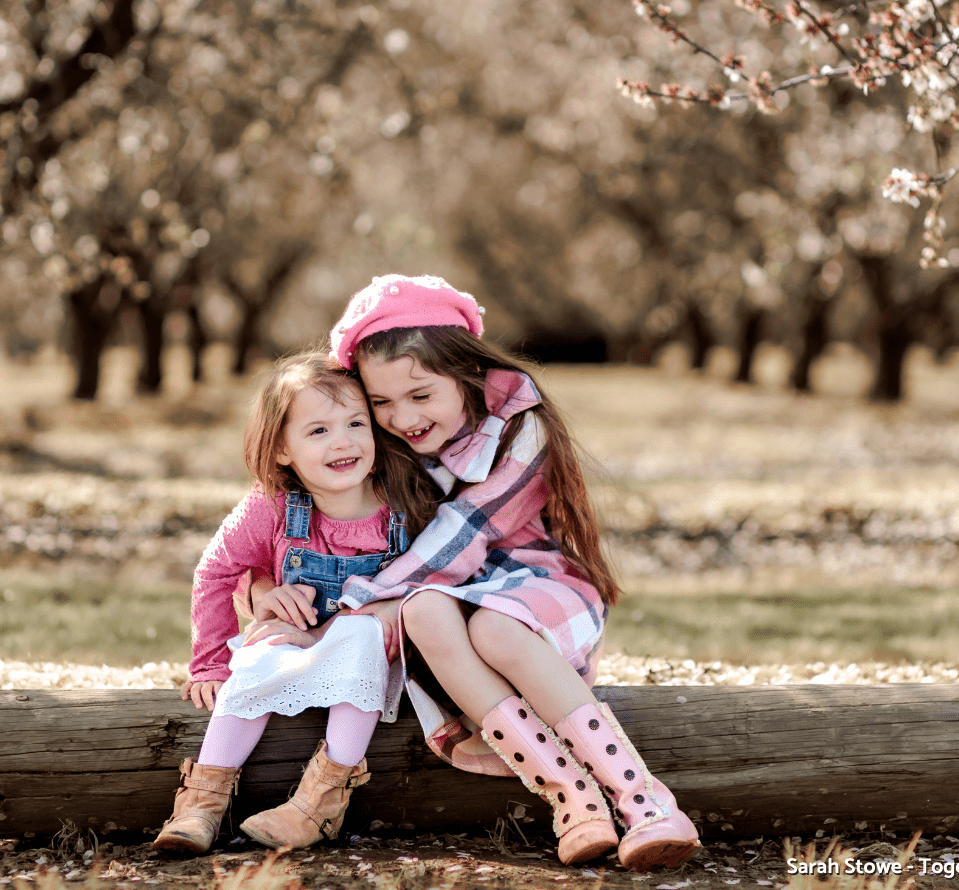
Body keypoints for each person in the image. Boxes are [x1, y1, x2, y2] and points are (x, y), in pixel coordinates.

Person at [326, 274, 700, 872]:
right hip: (441, 594)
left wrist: (366, 599)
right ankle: (572, 798)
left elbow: (467, 531)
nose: (401, 416)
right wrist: (270, 587)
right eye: (381, 401)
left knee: (493, 627)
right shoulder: (384, 445)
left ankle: (644, 799)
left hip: (542, 588)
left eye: (420, 394)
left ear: (467, 373)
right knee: (422, 610)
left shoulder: (523, 427)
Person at [153, 351, 438, 855]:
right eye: (318, 431)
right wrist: (211, 663)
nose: (344, 441)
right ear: (281, 448)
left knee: (359, 636)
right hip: (297, 643)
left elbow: (438, 578)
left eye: (356, 423)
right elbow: (216, 570)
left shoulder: (407, 500)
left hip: (379, 650)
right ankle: (201, 802)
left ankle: (320, 804)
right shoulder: (273, 506)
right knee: (261, 650)